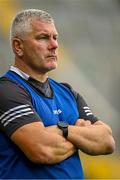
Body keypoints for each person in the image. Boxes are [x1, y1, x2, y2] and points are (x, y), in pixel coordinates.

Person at [0, 9, 115, 179]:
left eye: (55, 37)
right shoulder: (7, 90)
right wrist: (80, 136)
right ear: (18, 46)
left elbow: (106, 141)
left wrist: (64, 130)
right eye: (43, 37)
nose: (54, 45)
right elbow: (42, 149)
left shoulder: (68, 92)